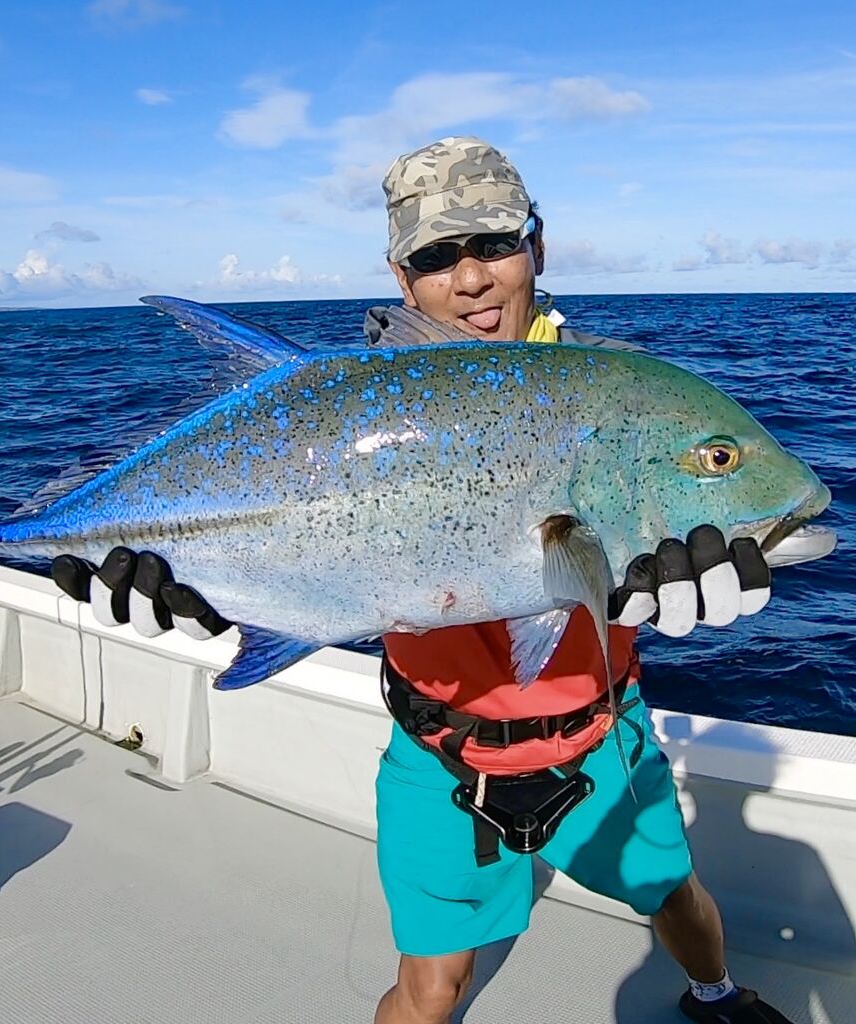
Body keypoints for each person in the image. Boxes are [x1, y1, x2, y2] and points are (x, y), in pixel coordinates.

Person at [52, 136, 793, 1024]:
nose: (470, 278)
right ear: (404, 282)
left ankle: (713, 996)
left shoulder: (616, 390)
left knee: (675, 898)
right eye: (436, 258)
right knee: (431, 988)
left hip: (604, 734)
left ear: (537, 247)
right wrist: (211, 583)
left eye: (493, 244)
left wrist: (672, 570)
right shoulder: (341, 403)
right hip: (442, 754)